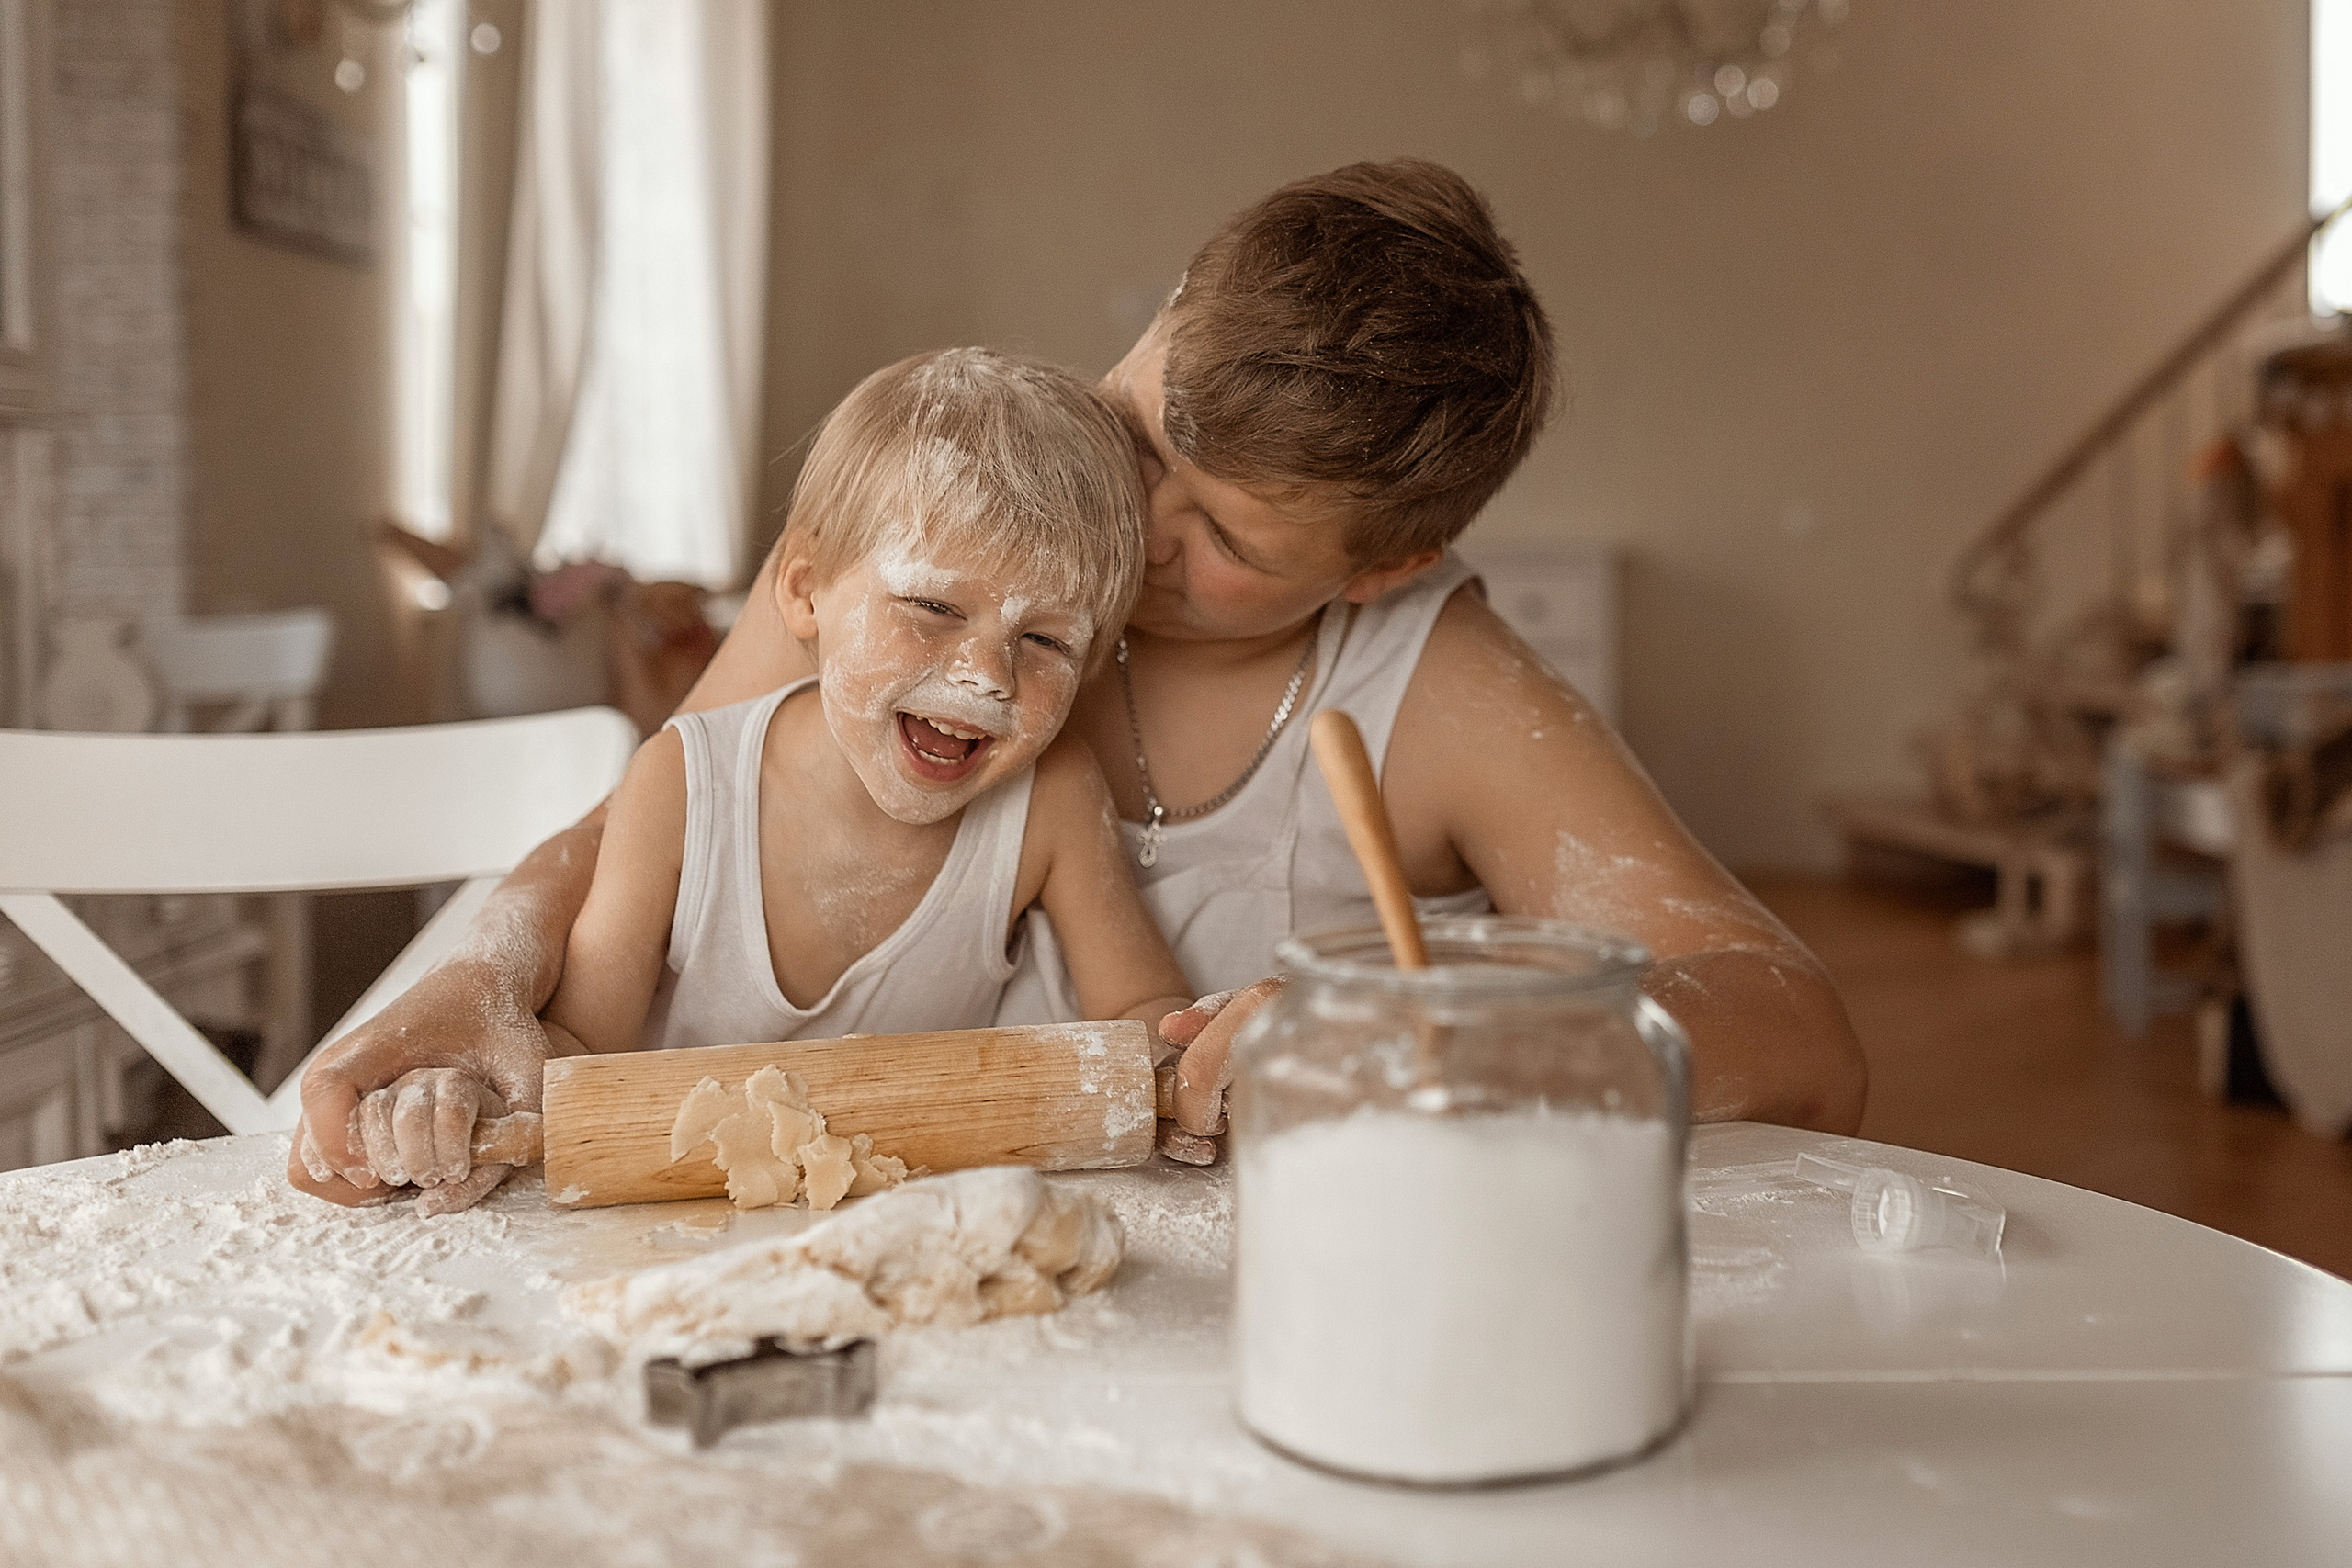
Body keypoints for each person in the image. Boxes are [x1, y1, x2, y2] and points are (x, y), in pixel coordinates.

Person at [290, 157, 1866, 1213]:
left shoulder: (1430, 680)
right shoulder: (960, 522)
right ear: (1159, 318)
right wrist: (484, 959)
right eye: (1144, 429)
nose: (1130, 530)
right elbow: (683, 800)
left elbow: (1795, 1029)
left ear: (1381, 565)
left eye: (1226, 537)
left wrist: (1446, 1031)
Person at [310, 347, 1194, 1212]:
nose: (987, 677)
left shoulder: (1053, 798)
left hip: (910, 1236)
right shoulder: (684, 787)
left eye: (1045, 642)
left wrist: (1191, 1065)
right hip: (670, 1238)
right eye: (934, 607)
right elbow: (578, 1054)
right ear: (804, 589)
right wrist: (465, 1109)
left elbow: (1143, 1010)